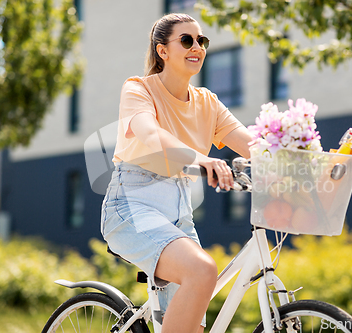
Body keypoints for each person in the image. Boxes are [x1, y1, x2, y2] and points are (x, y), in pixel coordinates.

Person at [101, 13, 252, 333]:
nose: (197, 46)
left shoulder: (207, 101)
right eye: (187, 40)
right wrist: (202, 159)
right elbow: (151, 135)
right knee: (202, 271)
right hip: (132, 206)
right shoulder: (138, 89)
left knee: (190, 326)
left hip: (180, 211)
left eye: (202, 41)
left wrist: (304, 156)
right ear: (162, 51)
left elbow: (251, 143)